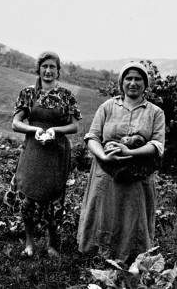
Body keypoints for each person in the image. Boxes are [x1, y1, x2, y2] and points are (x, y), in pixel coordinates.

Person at [77, 62, 165, 264]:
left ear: (145, 84)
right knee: (103, 214)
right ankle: (97, 255)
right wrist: (104, 156)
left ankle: (130, 257)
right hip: (105, 173)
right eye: (128, 78)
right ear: (121, 82)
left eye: (138, 79)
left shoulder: (155, 112)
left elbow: (157, 145)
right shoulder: (107, 107)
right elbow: (92, 137)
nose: (133, 83)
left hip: (137, 176)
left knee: (132, 217)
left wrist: (130, 152)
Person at [12, 51, 82, 257]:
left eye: (53, 67)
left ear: (58, 71)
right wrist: (35, 130)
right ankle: (29, 243)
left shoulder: (66, 95)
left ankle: (52, 244)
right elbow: (15, 123)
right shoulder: (28, 93)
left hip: (56, 153)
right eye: (45, 66)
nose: (48, 71)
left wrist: (54, 130)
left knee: (55, 202)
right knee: (27, 200)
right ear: (39, 69)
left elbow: (75, 126)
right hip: (33, 151)